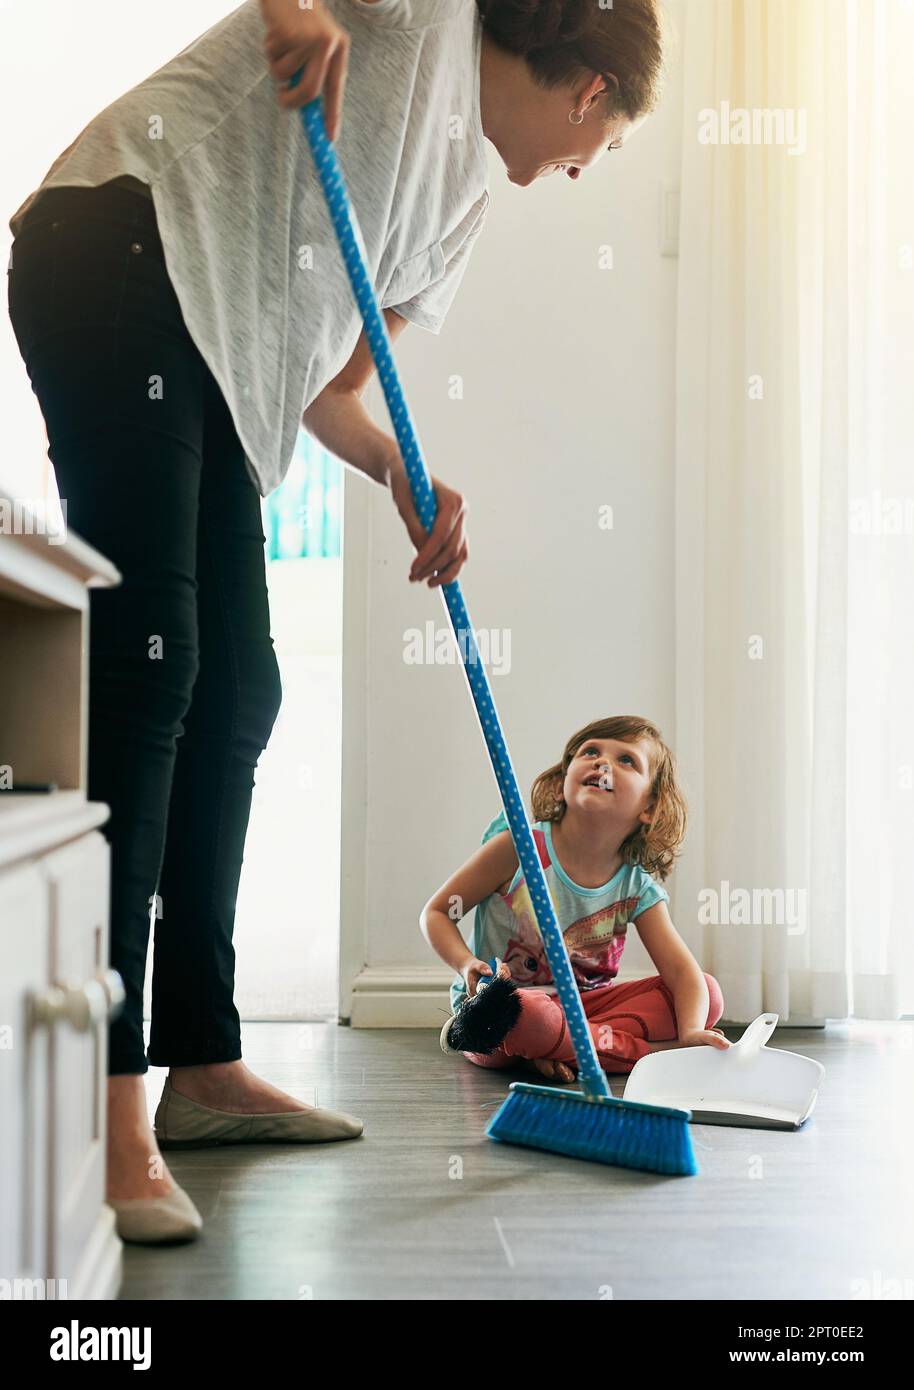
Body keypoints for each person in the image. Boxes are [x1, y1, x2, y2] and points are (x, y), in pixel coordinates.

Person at [5, 0, 667, 1245]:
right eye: (611, 145)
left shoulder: (462, 204)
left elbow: (327, 387)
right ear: (588, 93)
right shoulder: (422, 16)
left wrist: (400, 473)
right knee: (156, 672)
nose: (588, 170)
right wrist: (295, 10)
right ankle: (100, 1106)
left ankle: (200, 1066)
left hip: (226, 357)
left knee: (237, 692)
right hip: (122, 237)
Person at [421, 716, 729, 1079]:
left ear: (649, 808)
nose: (602, 762)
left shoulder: (634, 884)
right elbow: (438, 912)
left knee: (706, 994)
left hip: (581, 1010)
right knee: (531, 1016)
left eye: (626, 760)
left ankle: (558, 1048)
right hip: (497, 1010)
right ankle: (649, 1055)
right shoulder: (520, 846)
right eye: (590, 751)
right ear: (560, 784)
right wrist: (465, 964)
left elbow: (681, 971)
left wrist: (692, 1030)